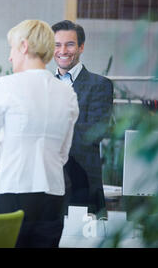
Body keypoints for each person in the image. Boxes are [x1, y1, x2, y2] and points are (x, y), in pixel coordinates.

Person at [0, 20, 79, 247]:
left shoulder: (6, 85)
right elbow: (63, 153)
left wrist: (5, 161)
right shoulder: (67, 93)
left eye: (12, 48)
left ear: (24, 46)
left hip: (12, 189)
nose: (10, 57)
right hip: (53, 193)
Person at [51, 20, 114, 217]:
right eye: (57, 45)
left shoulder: (99, 84)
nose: (63, 50)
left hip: (83, 184)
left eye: (69, 44)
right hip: (48, 183)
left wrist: (49, 132)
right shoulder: (44, 85)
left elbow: (95, 132)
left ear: (81, 47)